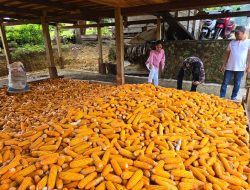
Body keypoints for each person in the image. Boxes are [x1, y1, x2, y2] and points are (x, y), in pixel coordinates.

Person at [220, 26, 250, 100]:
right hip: (229, 66)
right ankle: (221, 97)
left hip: (240, 67)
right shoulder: (232, 42)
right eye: (235, 34)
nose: (236, 35)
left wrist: (249, 66)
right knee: (225, 83)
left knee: (237, 83)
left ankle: (233, 97)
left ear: (243, 33)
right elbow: (227, 54)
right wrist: (223, 65)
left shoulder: (248, 42)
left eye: (238, 34)